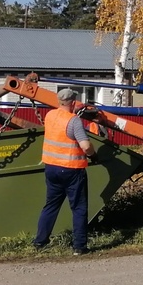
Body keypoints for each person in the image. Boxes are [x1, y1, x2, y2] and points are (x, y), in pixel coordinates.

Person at [34, 88, 93, 255]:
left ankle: (40, 241)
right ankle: (79, 247)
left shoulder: (50, 116)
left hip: (51, 167)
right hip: (72, 169)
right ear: (73, 103)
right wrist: (94, 155)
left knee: (51, 205)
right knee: (79, 208)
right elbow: (86, 146)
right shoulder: (74, 121)